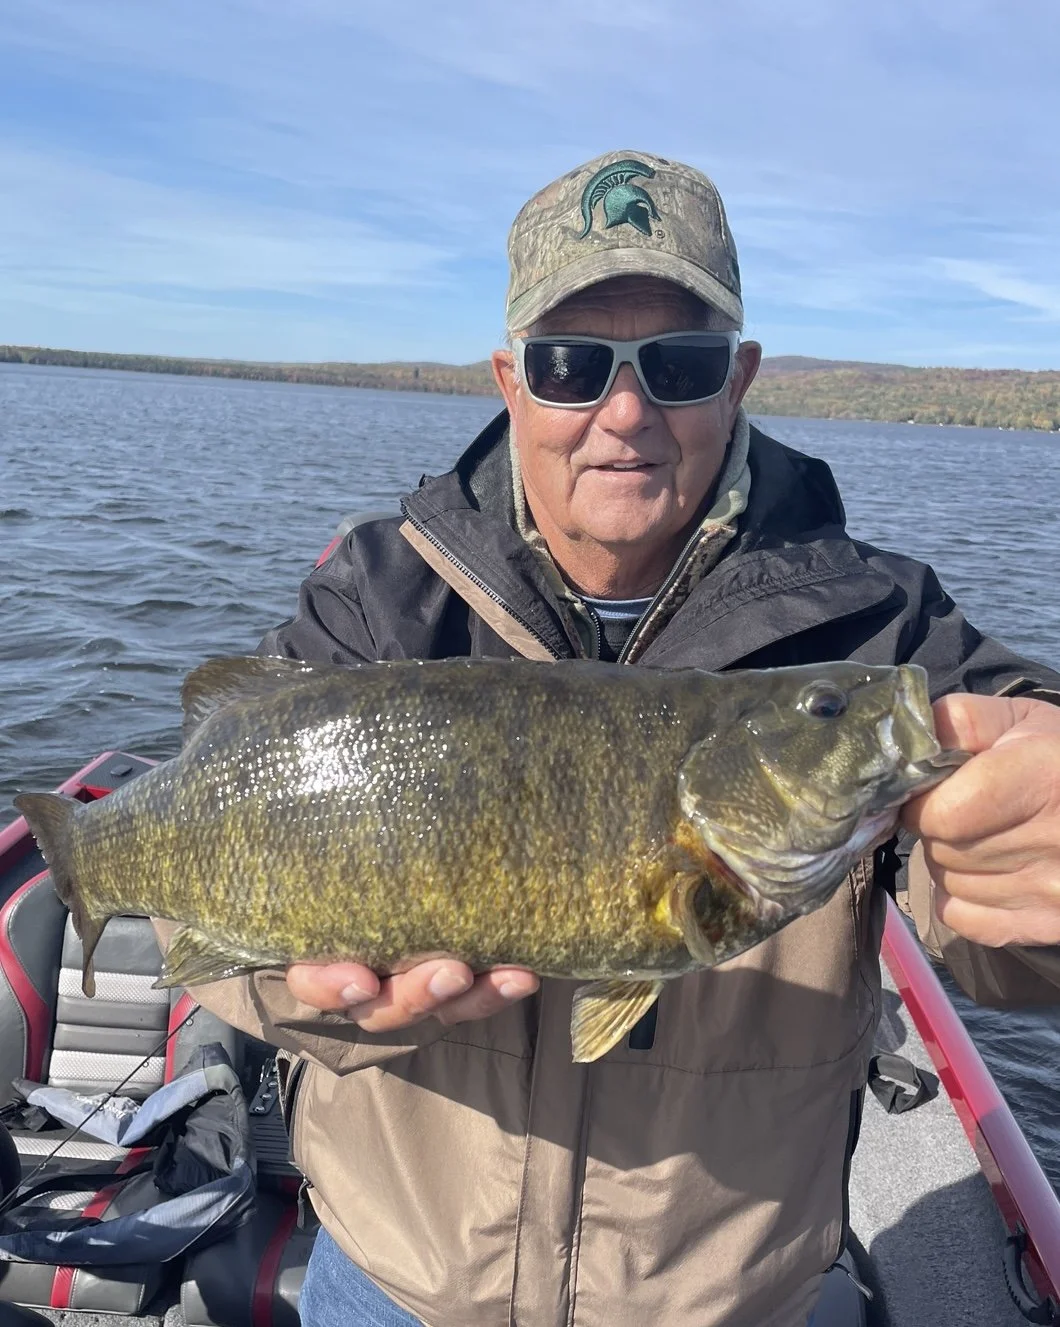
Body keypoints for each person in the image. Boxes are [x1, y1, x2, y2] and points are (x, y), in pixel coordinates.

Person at [161, 151, 1060, 1327]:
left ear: (737, 380)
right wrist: (313, 996)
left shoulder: (880, 636)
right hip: (393, 1285)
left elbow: (1003, 934)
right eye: (572, 365)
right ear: (510, 379)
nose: (623, 413)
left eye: (676, 366)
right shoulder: (376, 603)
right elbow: (208, 895)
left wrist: (1028, 878)